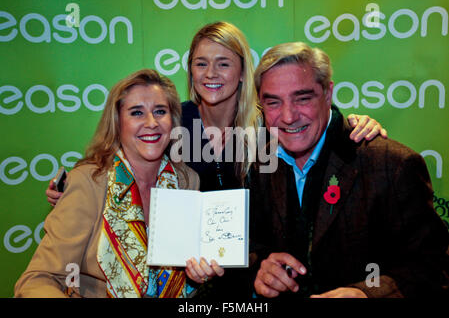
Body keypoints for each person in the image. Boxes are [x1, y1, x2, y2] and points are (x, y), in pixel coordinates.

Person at [43, 22, 387, 297]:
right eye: (201, 63)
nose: (211, 73)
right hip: (188, 280)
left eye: (223, 63)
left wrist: (351, 123)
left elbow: (313, 125)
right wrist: (76, 188)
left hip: (260, 277)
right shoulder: (172, 121)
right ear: (190, 72)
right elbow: (120, 152)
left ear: (242, 73)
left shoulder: (269, 123)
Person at [250, 41, 449, 298]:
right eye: (273, 103)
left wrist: (365, 294)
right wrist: (260, 268)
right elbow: (252, 246)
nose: (288, 116)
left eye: (302, 98)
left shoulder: (393, 165)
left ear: (328, 93)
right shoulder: (259, 164)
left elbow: (433, 269)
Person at [14, 69, 224, 298]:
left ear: (173, 121)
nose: (151, 123)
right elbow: (38, 280)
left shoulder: (186, 180)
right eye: (137, 113)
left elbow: (184, 274)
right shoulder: (89, 182)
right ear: (117, 122)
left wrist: (196, 276)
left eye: (160, 111)